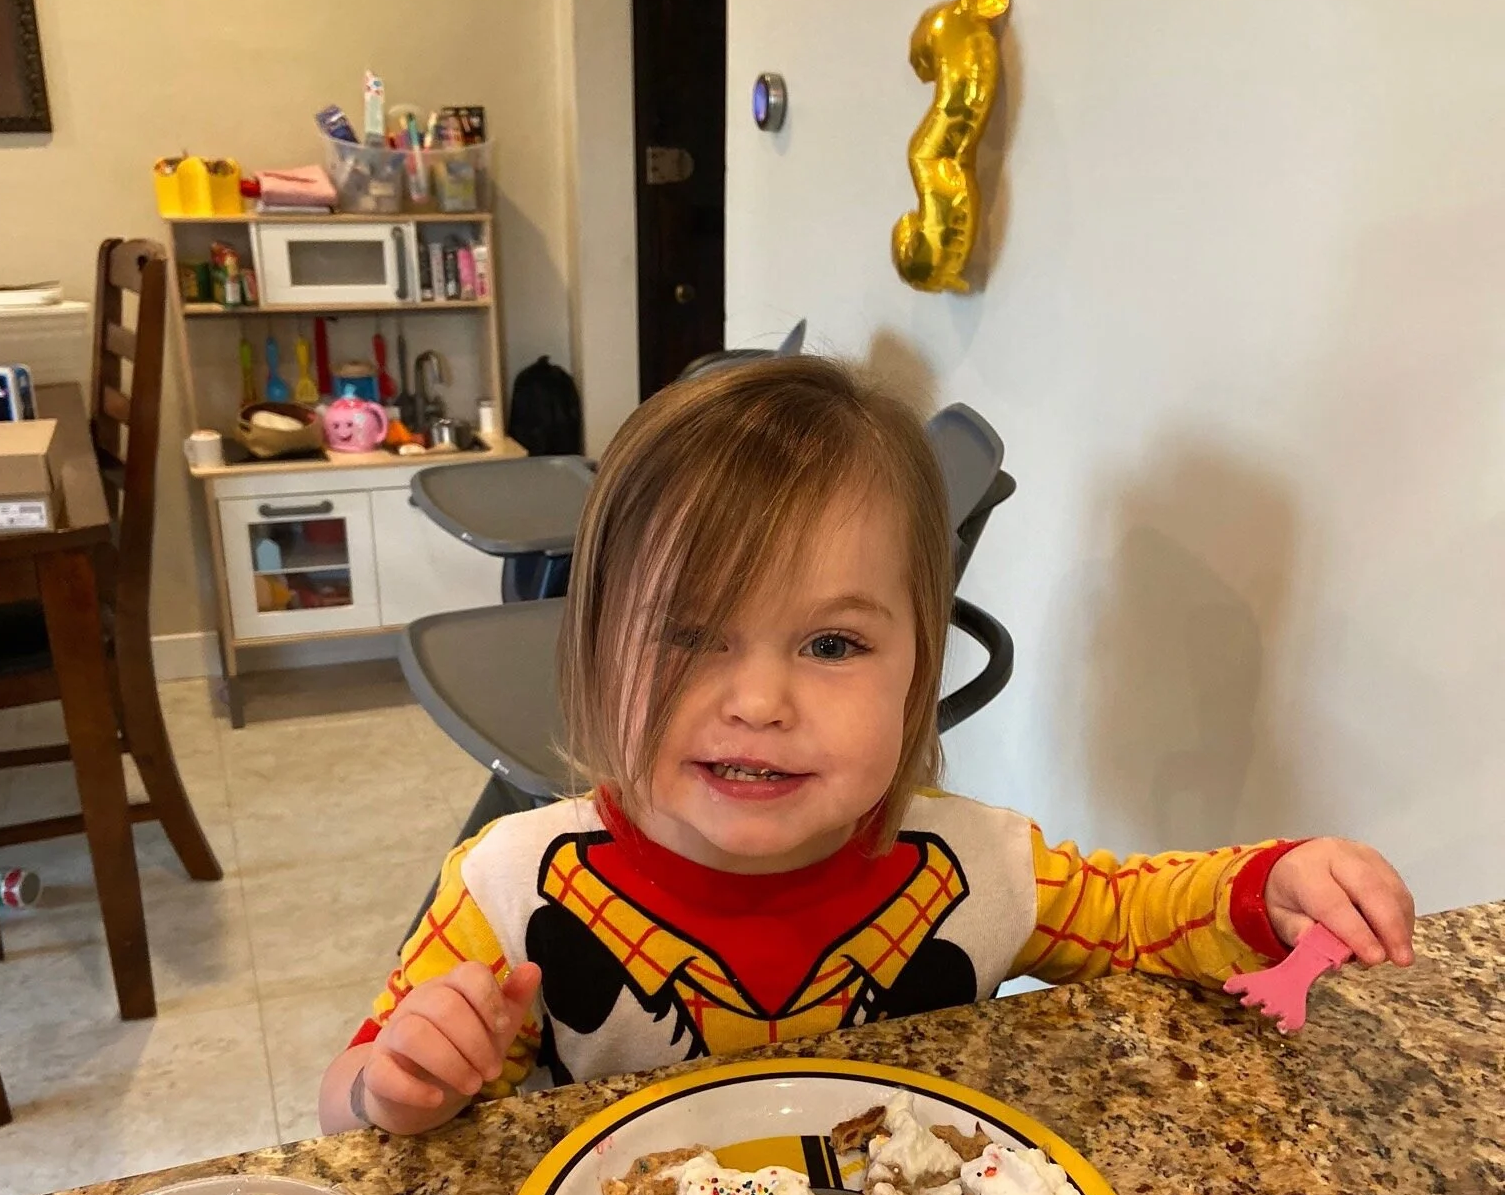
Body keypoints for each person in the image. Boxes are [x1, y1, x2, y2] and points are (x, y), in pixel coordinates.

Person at [320, 358, 1414, 1137]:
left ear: (918, 671)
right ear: (597, 647)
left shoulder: (980, 870)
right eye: (690, 636)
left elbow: (1136, 917)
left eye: (832, 644)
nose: (759, 701)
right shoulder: (509, 891)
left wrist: (1273, 886)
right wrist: (395, 1085)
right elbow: (349, 1106)